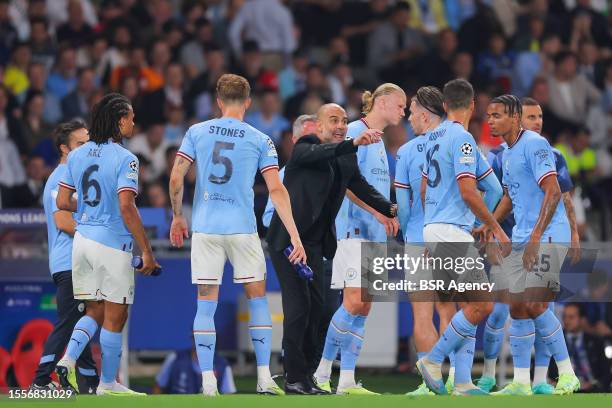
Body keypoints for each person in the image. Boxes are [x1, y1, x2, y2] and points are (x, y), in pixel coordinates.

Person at [168, 74, 305, 396]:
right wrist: (295, 236)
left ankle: (207, 382)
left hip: (206, 228)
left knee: (205, 304)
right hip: (243, 229)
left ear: (218, 100)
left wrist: (177, 216)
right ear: (248, 102)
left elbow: (176, 178)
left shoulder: (196, 132)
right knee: (257, 298)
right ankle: (262, 377)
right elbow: (276, 190)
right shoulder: (260, 139)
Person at [267, 103, 396, 394]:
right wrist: (352, 142)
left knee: (319, 310)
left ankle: (308, 374)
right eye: (334, 120)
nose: (340, 125)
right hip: (289, 241)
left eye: (344, 120)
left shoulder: (344, 155)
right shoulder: (306, 146)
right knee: (299, 308)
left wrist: (389, 207)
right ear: (319, 126)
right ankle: (294, 378)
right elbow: (315, 154)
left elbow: (360, 186)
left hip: (315, 243)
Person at [54, 93, 160, 396]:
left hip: (83, 242)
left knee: (94, 311)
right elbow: (127, 208)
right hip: (113, 244)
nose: (133, 122)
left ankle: (67, 360)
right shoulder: (126, 158)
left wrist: (90, 208)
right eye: (130, 117)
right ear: (119, 121)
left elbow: (63, 201)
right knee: (116, 314)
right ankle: (108, 384)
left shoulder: (77, 155)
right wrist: (147, 250)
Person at [477, 96, 581, 394]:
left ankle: (567, 374)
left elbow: (553, 191)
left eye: (496, 115)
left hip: (546, 234)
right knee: (518, 306)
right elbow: (510, 196)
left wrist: (537, 236)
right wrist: (491, 222)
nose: (490, 121)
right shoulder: (508, 152)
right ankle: (521, 383)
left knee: (535, 302)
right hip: (524, 233)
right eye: (489, 116)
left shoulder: (535, 144)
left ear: (513, 116)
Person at [416, 79, 509, 396]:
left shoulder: (432, 139)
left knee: (464, 307)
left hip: (435, 230)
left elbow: (426, 189)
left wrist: (434, 230)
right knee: (482, 305)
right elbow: (472, 191)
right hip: (452, 232)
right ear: (472, 106)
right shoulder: (464, 140)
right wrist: (493, 227)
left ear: (444, 105)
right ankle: (433, 361)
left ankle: (464, 382)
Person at [313, 83, 404, 395]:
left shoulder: (379, 142)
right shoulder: (353, 131)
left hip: (376, 234)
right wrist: (380, 212)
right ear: (381, 102)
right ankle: (322, 371)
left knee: (364, 307)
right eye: (400, 105)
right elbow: (347, 184)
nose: (403, 112)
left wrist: (388, 214)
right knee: (353, 302)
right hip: (354, 230)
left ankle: (347, 379)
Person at [30, 120, 98, 393]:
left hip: (78, 261)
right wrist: (97, 233)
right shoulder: (61, 178)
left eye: (88, 143)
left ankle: (89, 383)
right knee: (70, 321)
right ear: (64, 149)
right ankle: (41, 380)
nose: (86, 148)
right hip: (69, 262)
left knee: (80, 322)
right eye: (80, 144)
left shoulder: (75, 178)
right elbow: (63, 222)